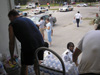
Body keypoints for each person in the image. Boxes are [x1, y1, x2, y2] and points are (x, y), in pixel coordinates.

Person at [8, 9, 44, 75]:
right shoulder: (27, 19)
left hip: (29, 45)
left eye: (10, 19)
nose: (10, 20)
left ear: (11, 16)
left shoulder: (12, 24)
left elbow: (11, 43)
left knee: (24, 65)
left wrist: (12, 56)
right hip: (41, 42)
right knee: (36, 62)